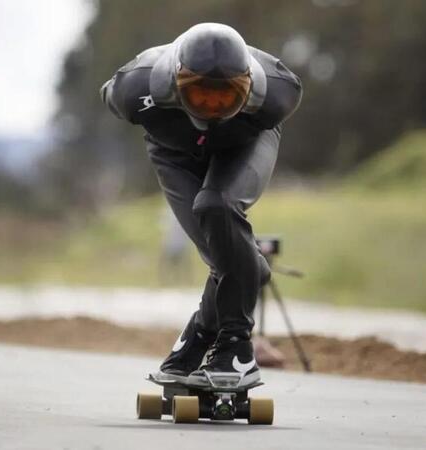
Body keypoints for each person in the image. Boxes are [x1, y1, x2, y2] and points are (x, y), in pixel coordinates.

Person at [100, 23, 302, 387]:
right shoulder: (134, 89)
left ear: (249, 89)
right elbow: (107, 93)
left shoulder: (277, 93)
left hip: (244, 145)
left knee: (217, 206)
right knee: (224, 254)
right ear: (175, 86)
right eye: (201, 96)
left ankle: (237, 350)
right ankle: (200, 334)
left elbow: (245, 127)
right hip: (172, 154)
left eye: (225, 98)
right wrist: (247, 267)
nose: (212, 108)